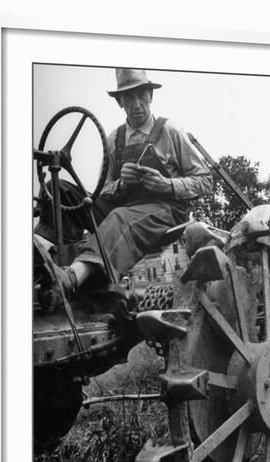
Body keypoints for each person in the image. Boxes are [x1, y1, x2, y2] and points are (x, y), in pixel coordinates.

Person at [35, 68, 213, 296]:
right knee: (58, 190)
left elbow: (205, 181)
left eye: (141, 95)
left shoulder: (171, 131)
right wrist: (121, 185)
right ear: (120, 101)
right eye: (129, 97)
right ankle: (43, 255)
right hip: (126, 206)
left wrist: (166, 184)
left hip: (166, 212)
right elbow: (103, 191)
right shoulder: (114, 139)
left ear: (151, 96)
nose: (136, 103)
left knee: (119, 217)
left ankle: (71, 278)